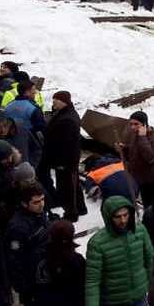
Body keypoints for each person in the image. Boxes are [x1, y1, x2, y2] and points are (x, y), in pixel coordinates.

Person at [3, 183, 49, 306]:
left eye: (42, 200)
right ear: (24, 203)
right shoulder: (17, 227)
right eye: (36, 202)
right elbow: (14, 263)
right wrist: (25, 290)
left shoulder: (38, 217)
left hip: (45, 279)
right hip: (33, 286)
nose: (41, 205)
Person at [41, 90, 85, 222]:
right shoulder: (64, 113)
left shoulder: (68, 119)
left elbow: (67, 145)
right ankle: (81, 208)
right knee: (73, 185)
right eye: (53, 99)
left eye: (57, 100)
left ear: (64, 102)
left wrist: (61, 162)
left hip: (65, 161)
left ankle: (71, 214)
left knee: (67, 188)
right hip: (65, 160)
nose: (53, 102)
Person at [115, 111, 154, 207]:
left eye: (136, 124)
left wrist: (142, 137)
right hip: (142, 179)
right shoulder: (137, 134)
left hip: (153, 181)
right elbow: (137, 150)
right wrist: (124, 148)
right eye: (131, 124)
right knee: (147, 205)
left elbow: (150, 157)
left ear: (145, 124)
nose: (133, 127)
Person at [4, 80, 46, 167]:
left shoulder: (8, 106)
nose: (35, 92)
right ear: (27, 92)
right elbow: (40, 130)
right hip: (28, 147)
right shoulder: (33, 108)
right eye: (33, 90)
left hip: (9, 144)